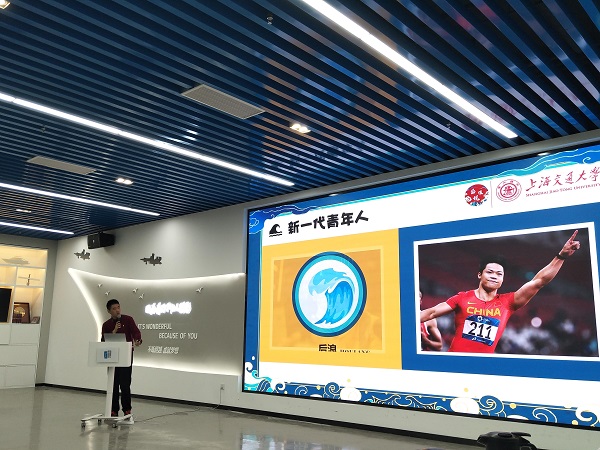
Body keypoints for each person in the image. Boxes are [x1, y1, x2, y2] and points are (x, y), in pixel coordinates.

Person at [420, 230, 581, 353]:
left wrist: (561, 256)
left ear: (503, 279)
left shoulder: (508, 302)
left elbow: (539, 281)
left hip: (485, 368)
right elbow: (431, 312)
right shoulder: (462, 298)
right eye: (490, 272)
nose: (494, 276)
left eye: (499, 274)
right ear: (479, 274)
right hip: (455, 364)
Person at [101, 299, 142, 416]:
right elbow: (103, 341)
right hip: (112, 357)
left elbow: (136, 332)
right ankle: (113, 409)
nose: (117, 310)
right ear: (109, 311)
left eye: (118, 307)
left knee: (125, 384)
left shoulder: (128, 320)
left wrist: (138, 340)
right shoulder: (106, 325)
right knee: (113, 384)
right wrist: (113, 331)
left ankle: (127, 409)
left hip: (126, 356)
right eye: (114, 309)